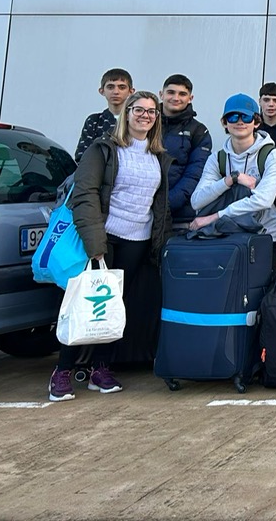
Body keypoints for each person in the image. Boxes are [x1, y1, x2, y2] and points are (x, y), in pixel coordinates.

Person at [47, 92, 172, 402]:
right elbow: (85, 194)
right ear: (126, 114)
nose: (145, 116)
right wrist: (95, 243)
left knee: (115, 305)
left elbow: (158, 203)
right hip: (104, 238)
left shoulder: (157, 155)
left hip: (138, 240)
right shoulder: (103, 148)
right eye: (139, 110)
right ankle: (62, 371)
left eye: (151, 112)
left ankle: (100, 369)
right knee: (83, 302)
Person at [188, 93, 276, 253]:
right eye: (233, 117)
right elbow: (197, 201)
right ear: (224, 123)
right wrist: (231, 179)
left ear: (256, 122)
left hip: (265, 235)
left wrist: (216, 216)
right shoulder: (217, 158)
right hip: (224, 235)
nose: (240, 122)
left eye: (246, 117)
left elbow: (264, 200)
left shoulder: (272, 155)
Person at [158, 73, 213, 226]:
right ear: (161, 94)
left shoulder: (199, 131)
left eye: (182, 94)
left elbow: (194, 175)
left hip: (177, 216)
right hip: (139, 210)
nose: (176, 98)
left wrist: (165, 205)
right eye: (171, 92)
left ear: (190, 98)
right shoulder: (146, 122)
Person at [75, 67, 133, 162]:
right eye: (110, 87)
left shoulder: (137, 120)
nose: (116, 92)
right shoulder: (94, 121)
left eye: (122, 87)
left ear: (131, 91)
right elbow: (82, 155)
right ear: (102, 91)